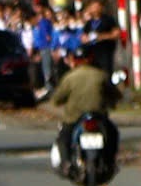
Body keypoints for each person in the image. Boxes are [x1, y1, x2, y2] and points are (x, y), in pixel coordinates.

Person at [46, 40, 123, 176]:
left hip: (74, 117)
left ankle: (66, 163)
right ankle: (110, 161)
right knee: (113, 134)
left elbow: (57, 99)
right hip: (98, 115)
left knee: (64, 137)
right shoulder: (101, 75)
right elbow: (115, 95)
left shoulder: (70, 77)